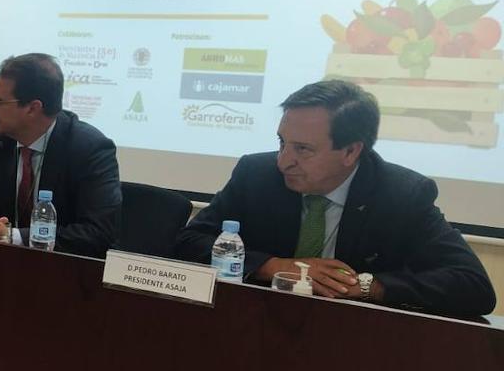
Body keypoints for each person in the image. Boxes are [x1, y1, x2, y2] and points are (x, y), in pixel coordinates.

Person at [174, 79, 495, 318]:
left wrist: (371, 287)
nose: (283, 161)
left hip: (354, 344)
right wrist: (273, 266)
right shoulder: (256, 174)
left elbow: (473, 287)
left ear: (351, 151)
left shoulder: (402, 194)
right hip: (254, 324)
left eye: (303, 149)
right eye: (282, 142)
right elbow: (188, 242)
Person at [0, 53, 121, 256]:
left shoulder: (89, 148)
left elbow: (98, 233)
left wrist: (11, 236)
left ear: (33, 108)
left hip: (65, 274)